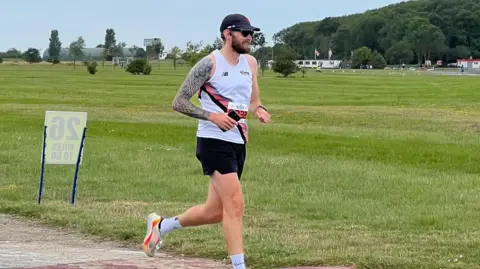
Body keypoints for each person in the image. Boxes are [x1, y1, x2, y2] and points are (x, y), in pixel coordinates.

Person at [142, 13, 270, 269]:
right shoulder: (209, 64)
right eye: (244, 33)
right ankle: (239, 266)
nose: (249, 38)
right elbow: (178, 102)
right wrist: (212, 116)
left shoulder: (251, 63)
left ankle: (161, 225)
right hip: (212, 140)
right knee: (235, 205)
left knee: (215, 212)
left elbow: (253, 99)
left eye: (251, 33)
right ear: (227, 34)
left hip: (238, 141)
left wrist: (259, 110)